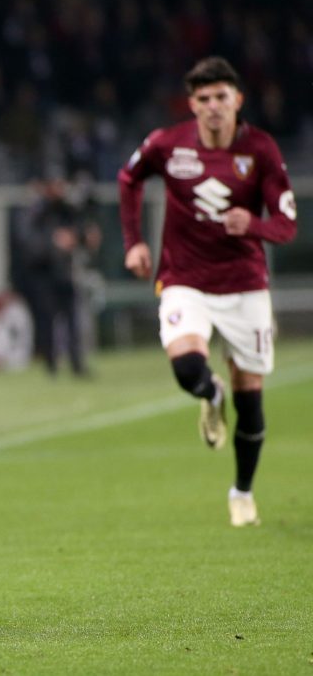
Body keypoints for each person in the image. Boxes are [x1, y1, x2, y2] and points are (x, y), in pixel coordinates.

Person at [118, 56, 298, 527]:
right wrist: (134, 242)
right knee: (186, 367)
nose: (214, 106)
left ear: (238, 100)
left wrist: (253, 224)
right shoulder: (167, 143)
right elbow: (128, 178)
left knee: (251, 399)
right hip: (185, 279)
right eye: (204, 98)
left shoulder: (260, 149)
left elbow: (287, 224)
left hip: (244, 285)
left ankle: (242, 492)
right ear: (192, 104)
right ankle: (209, 394)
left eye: (222, 96)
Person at [16, 177, 100, 377]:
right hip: (42, 275)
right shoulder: (35, 209)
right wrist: (53, 243)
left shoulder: (66, 208)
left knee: (72, 317)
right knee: (47, 319)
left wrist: (83, 237)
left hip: (64, 271)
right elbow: (28, 242)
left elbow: (78, 230)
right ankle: (50, 363)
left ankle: (76, 363)